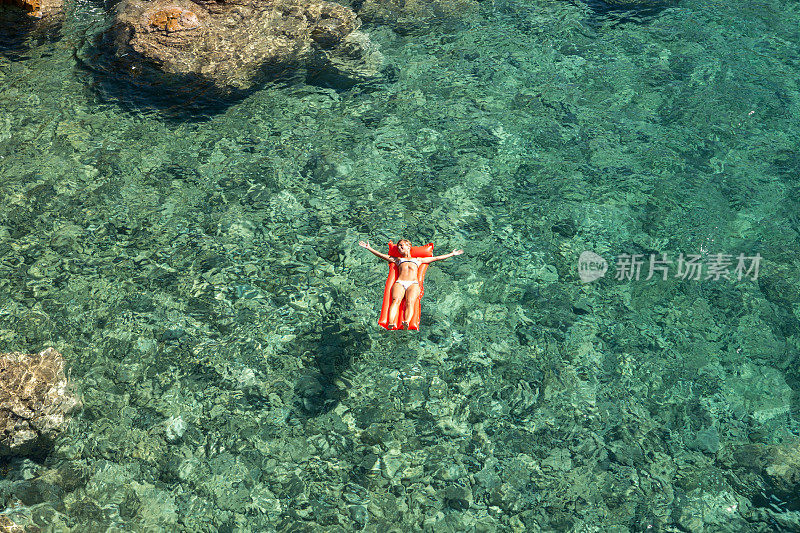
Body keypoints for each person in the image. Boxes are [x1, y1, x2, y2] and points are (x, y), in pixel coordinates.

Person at [359, 239, 463, 329]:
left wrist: (452, 254)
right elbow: (381, 255)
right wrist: (369, 248)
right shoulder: (397, 259)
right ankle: (391, 323)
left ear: (409, 246)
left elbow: (436, 258)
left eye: (401, 245)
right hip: (400, 282)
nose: (399, 248)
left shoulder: (418, 260)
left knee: (410, 301)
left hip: (413, 283)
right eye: (398, 246)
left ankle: (406, 322)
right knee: (395, 301)